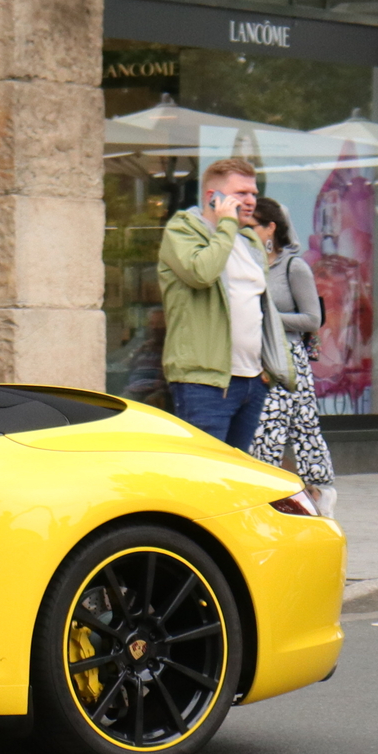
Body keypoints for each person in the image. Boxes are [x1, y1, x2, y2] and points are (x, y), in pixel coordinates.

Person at [157, 156, 294, 449]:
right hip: (205, 382)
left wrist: (264, 372)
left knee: (237, 477)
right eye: (240, 194)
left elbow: (258, 307)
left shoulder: (250, 240)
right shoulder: (182, 231)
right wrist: (227, 225)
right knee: (205, 478)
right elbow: (201, 273)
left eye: (254, 193)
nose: (250, 201)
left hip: (251, 381)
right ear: (213, 197)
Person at [246, 194, 337, 513]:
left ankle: (318, 496)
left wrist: (266, 315)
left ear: (271, 229)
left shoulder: (294, 267)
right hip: (255, 358)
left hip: (287, 360)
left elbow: (312, 319)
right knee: (273, 431)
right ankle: (271, 500)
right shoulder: (246, 261)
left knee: (291, 429)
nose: (244, 231)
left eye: (251, 226)